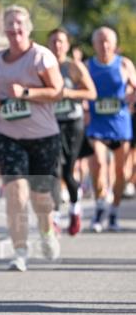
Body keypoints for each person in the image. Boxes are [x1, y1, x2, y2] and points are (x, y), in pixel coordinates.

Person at [0, 5, 64, 272]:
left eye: (19, 24)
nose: (15, 29)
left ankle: (47, 231)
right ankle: (19, 251)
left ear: (28, 28)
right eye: (10, 24)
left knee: (41, 199)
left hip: (43, 135)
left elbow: (57, 91)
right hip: (7, 134)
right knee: (16, 192)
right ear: (4, 29)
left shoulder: (41, 57)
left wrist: (27, 93)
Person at [47, 28, 97, 235]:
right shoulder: (43, 67)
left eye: (61, 41)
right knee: (54, 170)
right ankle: (55, 217)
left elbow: (91, 93)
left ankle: (75, 209)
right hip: (50, 124)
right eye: (53, 42)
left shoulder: (73, 67)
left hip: (72, 124)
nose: (57, 45)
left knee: (67, 172)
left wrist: (67, 92)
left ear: (67, 45)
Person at [86, 27, 136, 232]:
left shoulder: (124, 64)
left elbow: (134, 87)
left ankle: (114, 211)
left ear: (114, 44)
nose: (104, 45)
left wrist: (131, 94)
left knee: (121, 172)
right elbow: (82, 89)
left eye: (108, 41)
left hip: (120, 124)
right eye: (100, 41)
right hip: (96, 123)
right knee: (98, 163)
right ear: (94, 44)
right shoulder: (88, 65)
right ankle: (99, 208)